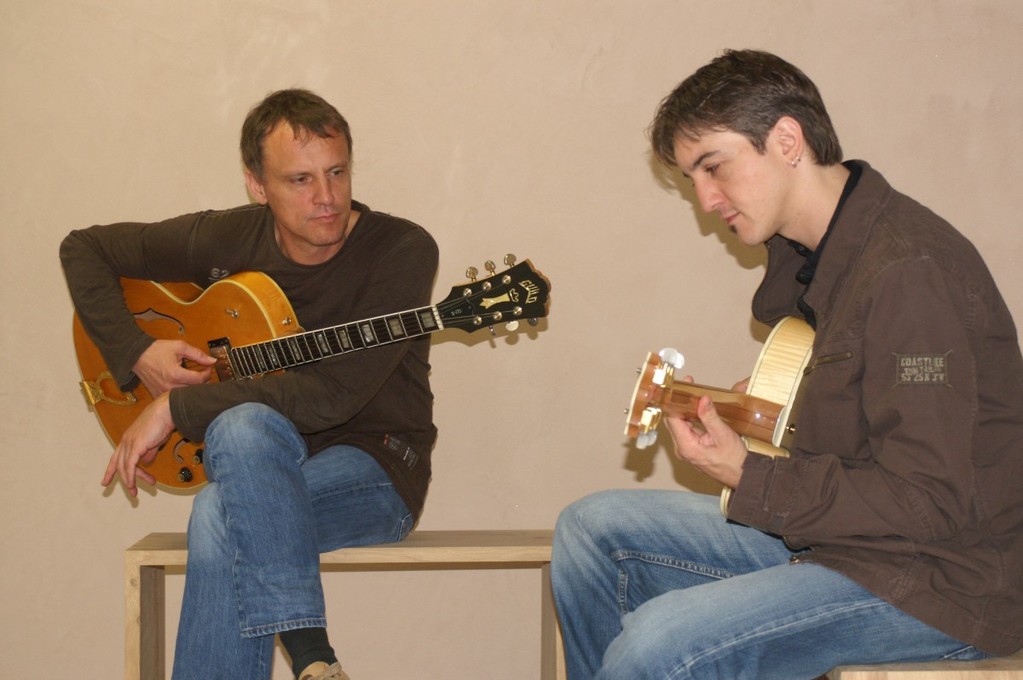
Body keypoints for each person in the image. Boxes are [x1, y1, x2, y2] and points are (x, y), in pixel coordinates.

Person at [551, 49, 1023, 679]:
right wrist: (772, 417)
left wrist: (748, 476)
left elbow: (928, 502)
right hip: (849, 547)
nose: (705, 199)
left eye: (713, 167)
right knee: (591, 531)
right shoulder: (818, 260)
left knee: (656, 645)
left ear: (787, 141)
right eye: (692, 179)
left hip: (943, 583)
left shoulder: (911, 274)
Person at [60, 89, 439, 680]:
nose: (326, 198)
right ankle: (316, 661)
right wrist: (136, 353)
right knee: (239, 451)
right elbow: (83, 248)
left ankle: (311, 657)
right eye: (300, 180)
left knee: (222, 501)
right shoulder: (228, 239)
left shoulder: (401, 251)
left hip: (379, 466)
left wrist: (178, 407)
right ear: (257, 185)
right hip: (256, 469)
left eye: (337, 172)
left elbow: (330, 398)